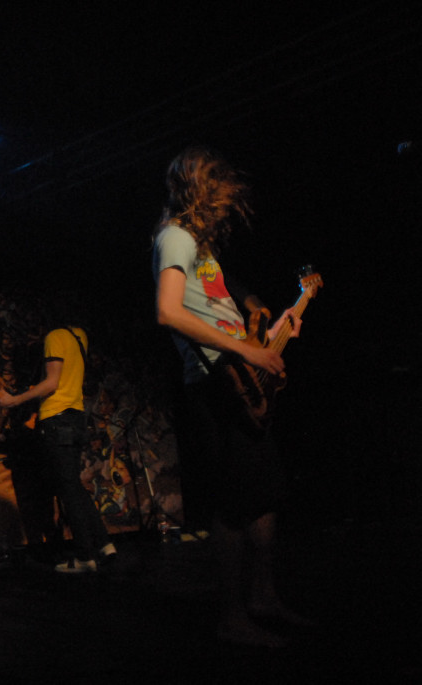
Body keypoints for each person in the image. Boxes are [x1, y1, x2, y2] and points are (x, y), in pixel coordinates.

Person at [152, 145, 310, 647]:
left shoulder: (201, 250)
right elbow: (168, 311)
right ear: (200, 191)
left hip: (236, 375)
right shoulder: (175, 237)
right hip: (214, 382)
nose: (226, 205)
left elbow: (219, 317)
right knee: (236, 501)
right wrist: (244, 349)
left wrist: (269, 337)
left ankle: (261, 596)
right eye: (219, 193)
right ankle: (231, 616)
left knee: (265, 494)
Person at [0, 317, 117, 573]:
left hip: (56, 419)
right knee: (73, 486)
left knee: (68, 490)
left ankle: (85, 557)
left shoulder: (54, 337)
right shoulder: (80, 335)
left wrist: (15, 400)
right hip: (76, 417)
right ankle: (104, 544)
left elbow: (52, 383)